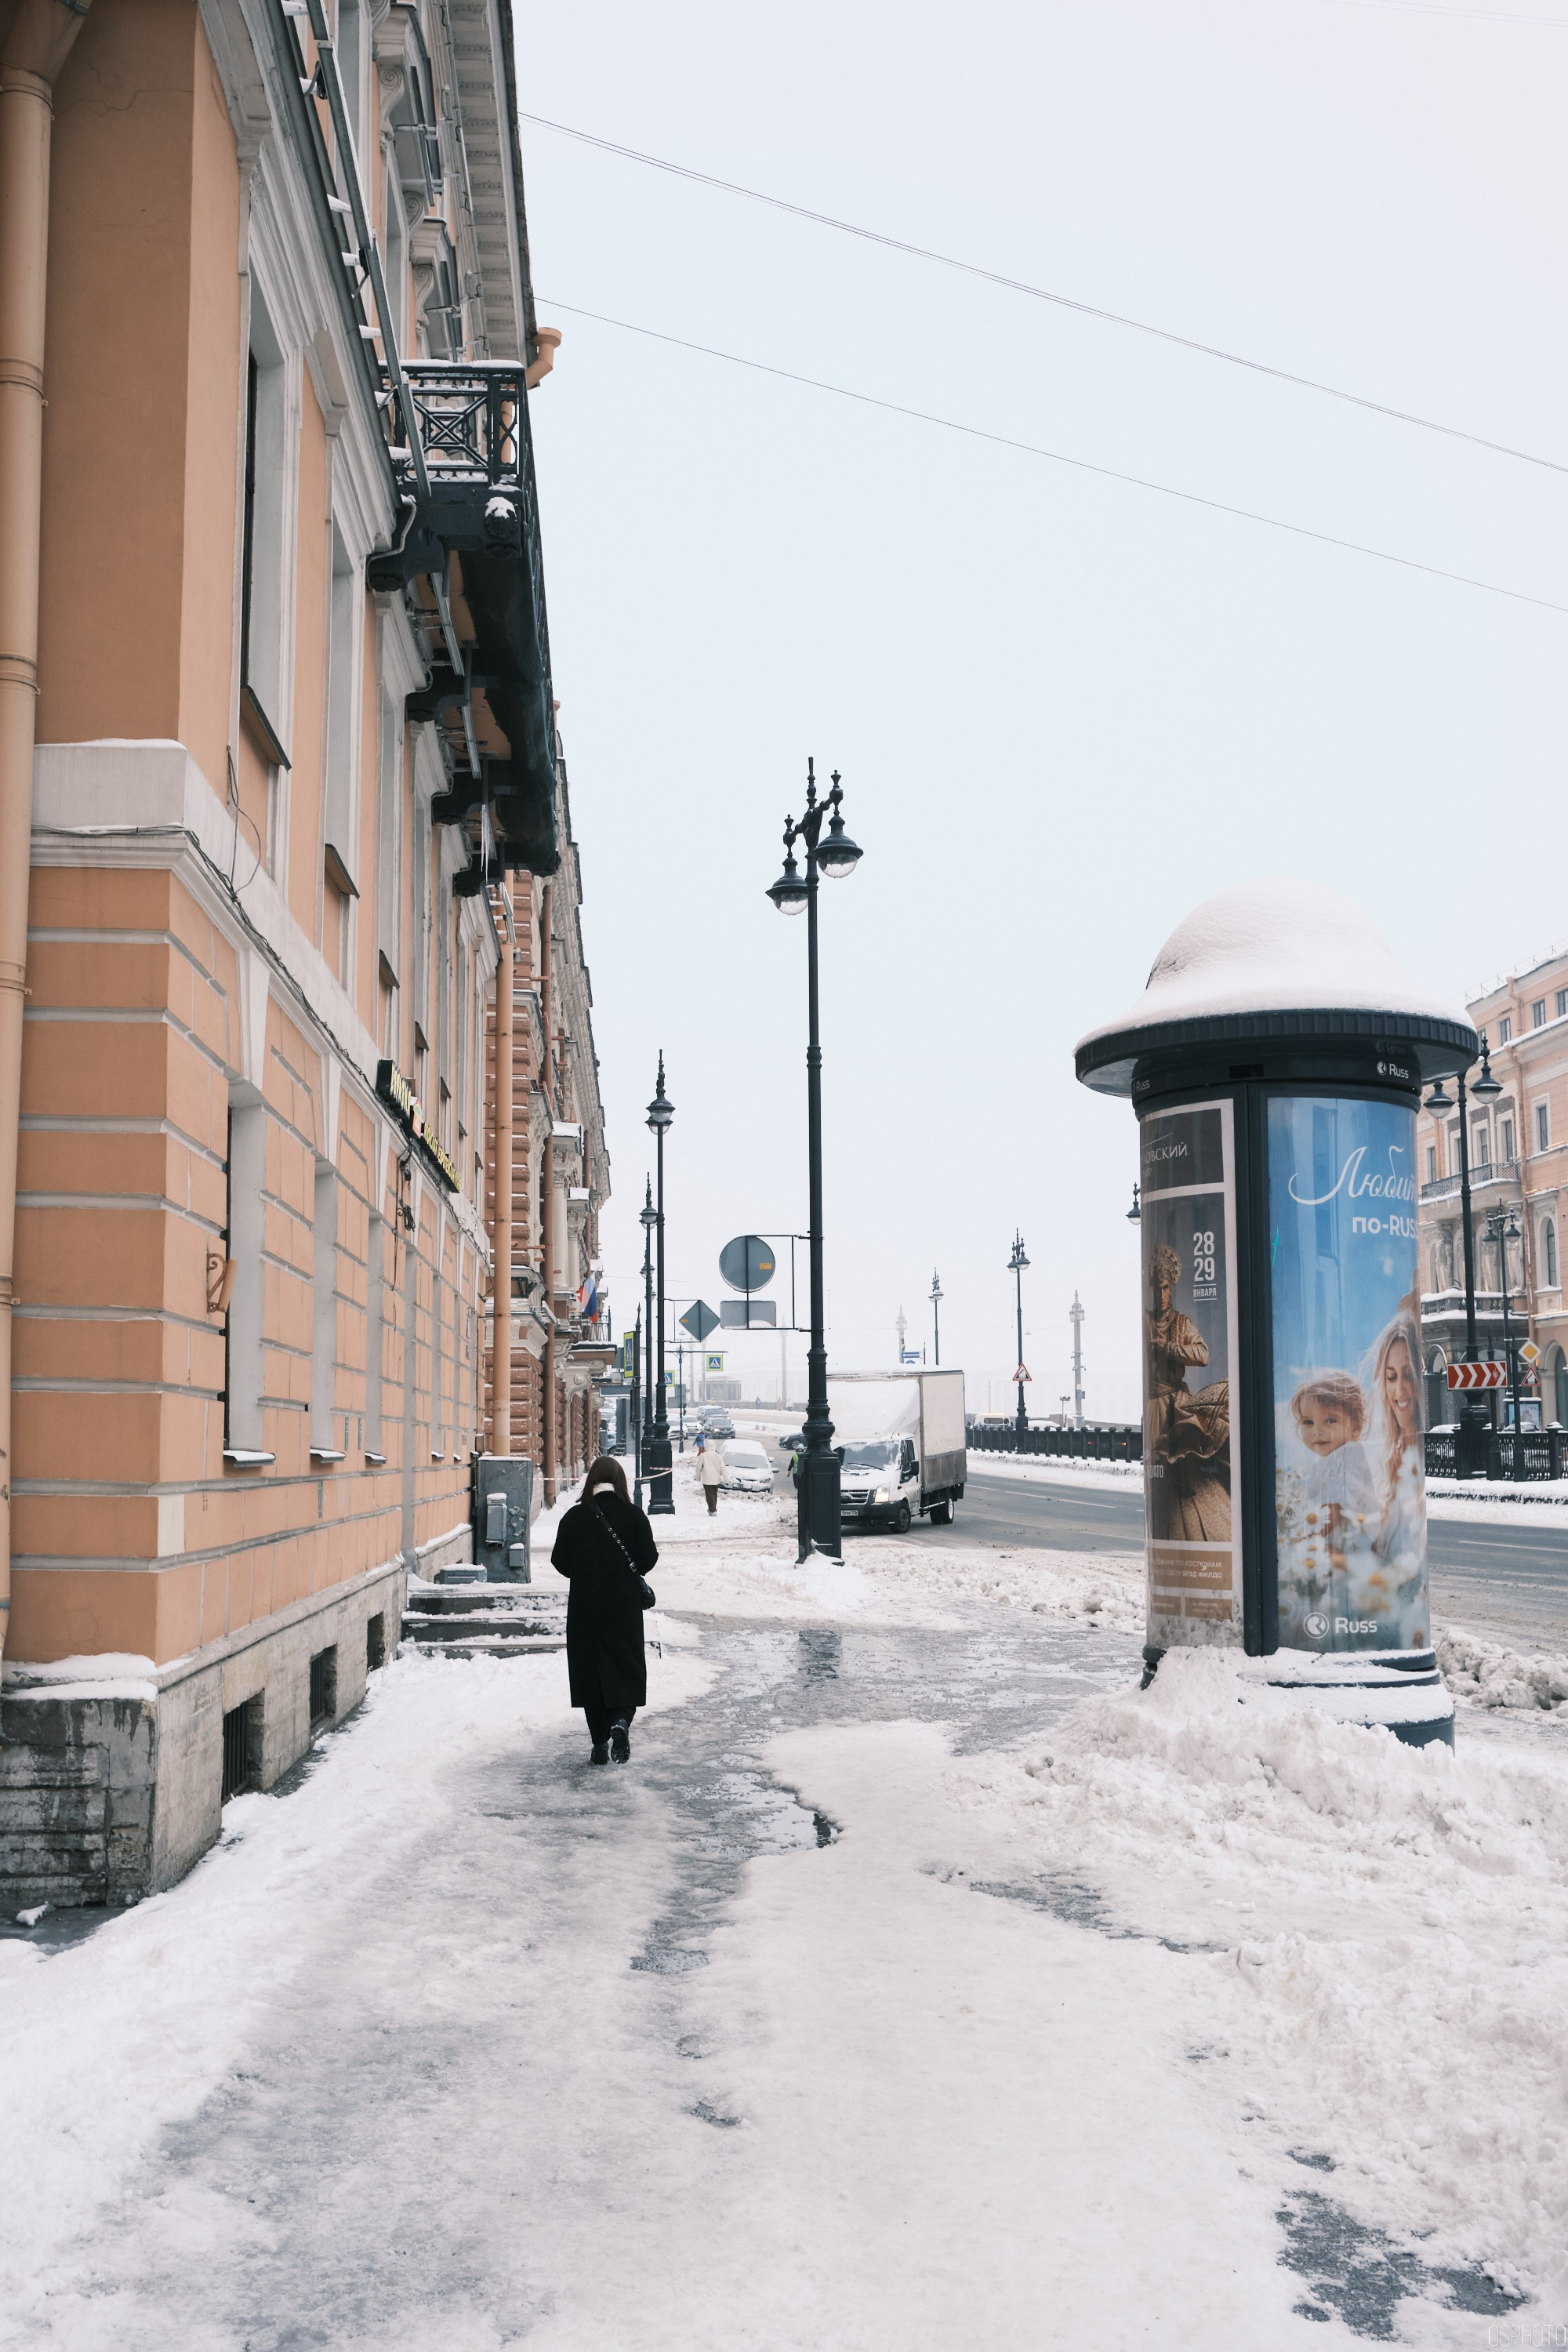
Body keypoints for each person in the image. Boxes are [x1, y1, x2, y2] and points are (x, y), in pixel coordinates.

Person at [550, 1454, 657, 1765]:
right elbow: (648, 1558)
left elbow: (559, 1560)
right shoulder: (634, 1515)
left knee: (590, 1672)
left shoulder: (574, 1517)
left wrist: (586, 1573)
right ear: (620, 1482)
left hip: (585, 1607)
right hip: (623, 1607)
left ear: (591, 1481)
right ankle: (621, 1721)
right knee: (625, 1668)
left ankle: (599, 1743)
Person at [1144, 1241, 1231, 1542]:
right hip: (1154, 1403)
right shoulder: (1145, 1321)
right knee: (1159, 1467)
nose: (1161, 1295)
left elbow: (1203, 1354)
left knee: (1185, 1467)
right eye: (1157, 1288)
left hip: (1177, 1401)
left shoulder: (1182, 1322)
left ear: (1172, 1288)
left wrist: (1169, 1349)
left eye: (1166, 1288)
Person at [699, 1434, 727, 1515]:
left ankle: (712, 1510)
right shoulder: (718, 1456)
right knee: (714, 1494)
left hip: (707, 1479)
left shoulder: (703, 1456)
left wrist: (698, 1477)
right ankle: (712, 1509)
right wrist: (726, 1479)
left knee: (709, 1494)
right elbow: (723, 1468)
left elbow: (698, 1468)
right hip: (716, 1479)